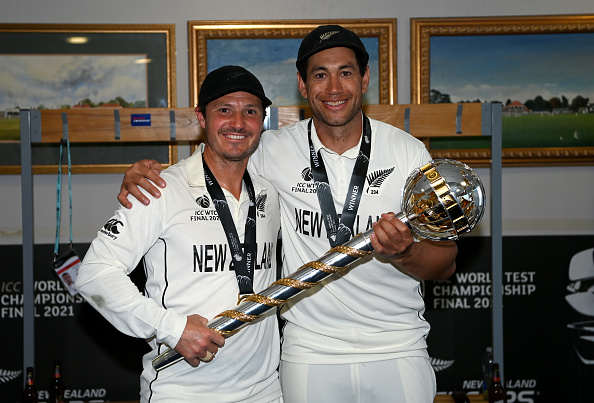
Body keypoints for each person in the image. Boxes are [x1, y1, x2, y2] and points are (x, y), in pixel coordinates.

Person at [118, 25, 458, 402]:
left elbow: (445, 264)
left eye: (345, 72)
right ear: (302, 83)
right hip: (310, 351)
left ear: (364, 80)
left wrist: (405, 251)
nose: (333, 88)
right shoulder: (272, 150)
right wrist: (149, 176)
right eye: (320, 74)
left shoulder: (408, 153)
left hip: (398, 346)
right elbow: (213, 164)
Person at [76, 66, 282, 403]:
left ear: (262, 121)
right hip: (183, 391)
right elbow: (93, 274)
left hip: (264, 390)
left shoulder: (269, 192)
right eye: (224, 110)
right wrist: (172, 328)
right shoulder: (160, 189)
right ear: (201, 118)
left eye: (250, 111)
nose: (238, 123)